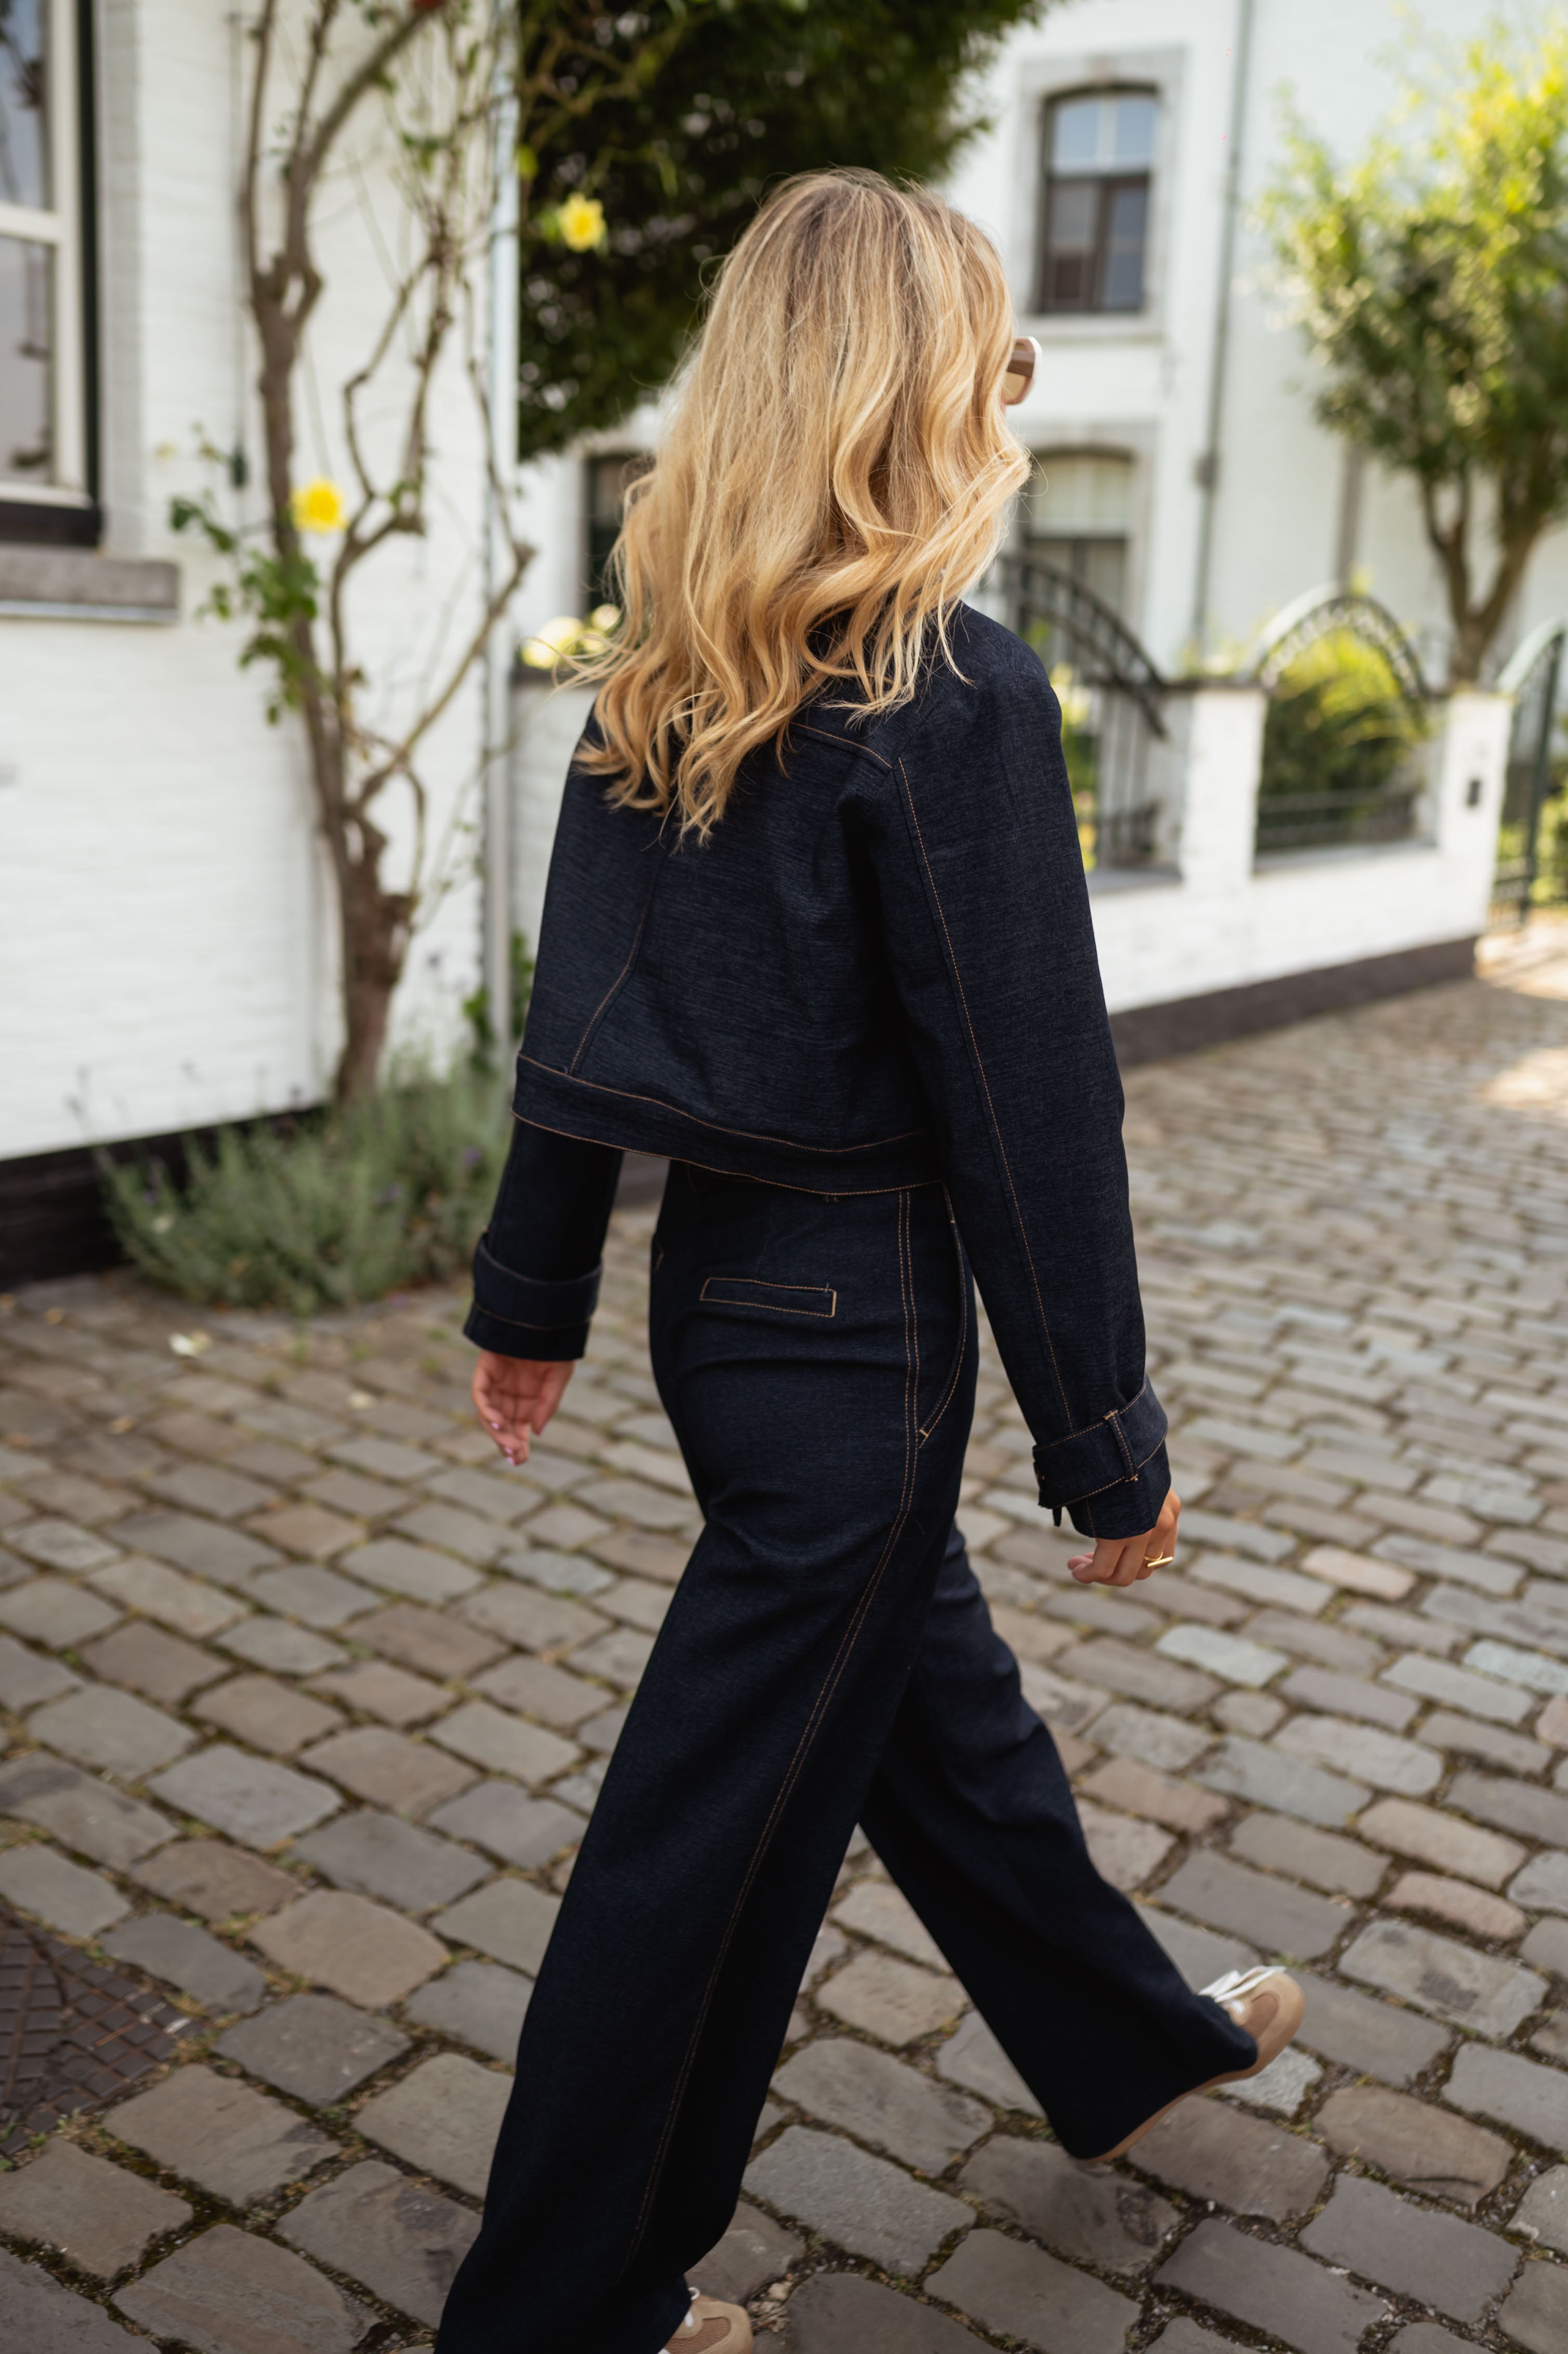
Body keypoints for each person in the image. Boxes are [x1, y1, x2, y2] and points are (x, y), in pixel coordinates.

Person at [433, 170, 1302, 2354]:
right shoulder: (953, 695)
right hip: (865, 1348)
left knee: (943, 1719)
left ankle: (1122, 2044)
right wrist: (1107, 1442)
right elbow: (1034, 1112)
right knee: (702, 1848)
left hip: (722, 1327)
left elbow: (575, 1034)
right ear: (920, 391)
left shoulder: (664, 674)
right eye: (995, 359)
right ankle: (567, 2307)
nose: (1009, 398)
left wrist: (534, 1303)